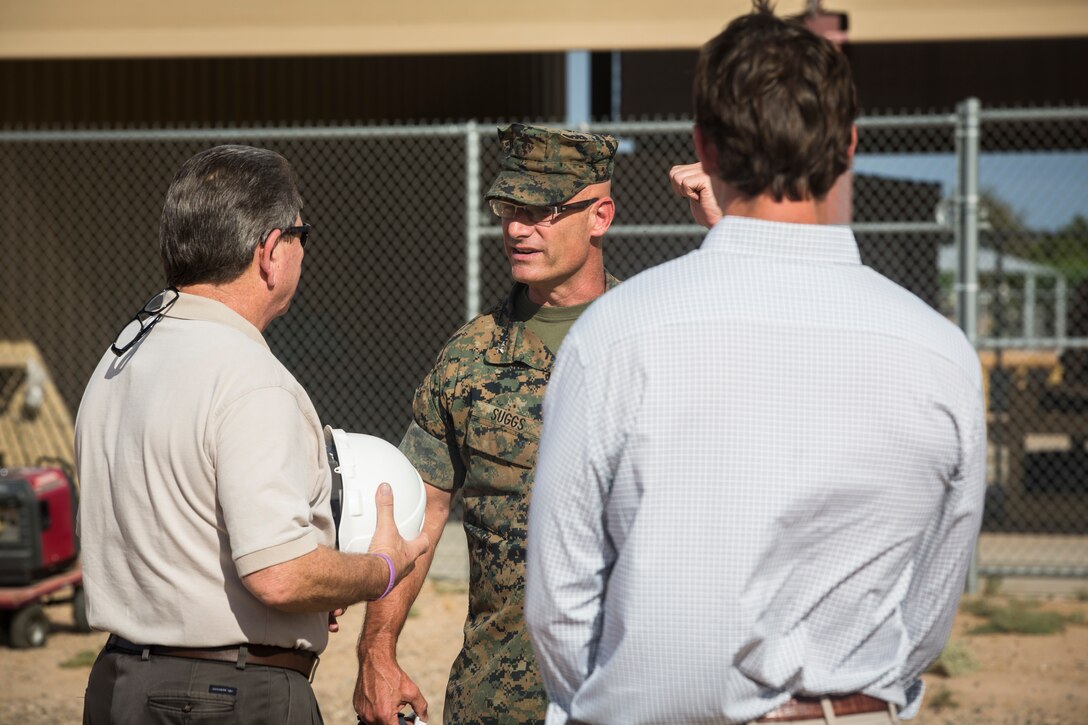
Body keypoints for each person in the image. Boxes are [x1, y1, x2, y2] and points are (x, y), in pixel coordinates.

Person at [524, 4, 987, 724]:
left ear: (703, 147)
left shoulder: (615, 335)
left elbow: (560, 604)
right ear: (849, 146)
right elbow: (927, 609)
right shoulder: (940, 355)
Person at [75, 144, 430, 725]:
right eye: (301, 236)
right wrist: (380, 568)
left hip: (121, 684)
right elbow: (280, 575)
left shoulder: (121, 359)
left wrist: (316, 592)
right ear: (270, 251)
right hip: (225, 697)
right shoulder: (251, 378)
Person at [354, 124, 620, 725]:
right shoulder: (468, 357)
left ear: (599, 216)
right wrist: (377, 651)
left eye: (543, 211)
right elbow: (416, 515)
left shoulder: (648, 342)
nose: (518, 229)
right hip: (501, 697)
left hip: (630, 688)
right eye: (509, 208)